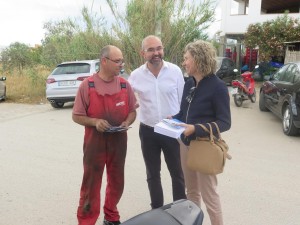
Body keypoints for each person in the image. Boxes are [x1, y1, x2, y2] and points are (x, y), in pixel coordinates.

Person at [72, 45, 138, 225]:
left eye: (122, 60)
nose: (121, 64)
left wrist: (127, 122)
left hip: (118, 143)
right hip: (95, 145)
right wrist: (95, 122)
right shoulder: (88, 85)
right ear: (104, 61)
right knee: (91, 185)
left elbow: (132, 111)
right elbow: (76, 116)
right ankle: (86, 220)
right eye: (117, 61)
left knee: (117, 182)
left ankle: (111, 216)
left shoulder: (125, 85)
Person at [172, 40, 231, 225]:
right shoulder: (189, 83)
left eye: (186, 58)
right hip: (185, 144)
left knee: (210, 196)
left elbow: (225, 122)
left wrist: (195, 129)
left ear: (198, 59)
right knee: (191, 193)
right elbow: (183, 114)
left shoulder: (218, 87)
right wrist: (171, 119)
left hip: (205, 146)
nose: (184, 62)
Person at [128, 35, 186, 209]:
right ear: (143, 53)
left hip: (172, 130)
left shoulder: (175, 71)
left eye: (159, 48)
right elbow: (126, 98)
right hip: (148, 131)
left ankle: (180, 209)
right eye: (151, 49)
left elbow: (184, 101)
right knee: (153, 174)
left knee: (177, 172)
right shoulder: (136, 75)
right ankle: (157, 210)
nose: (156, 53)